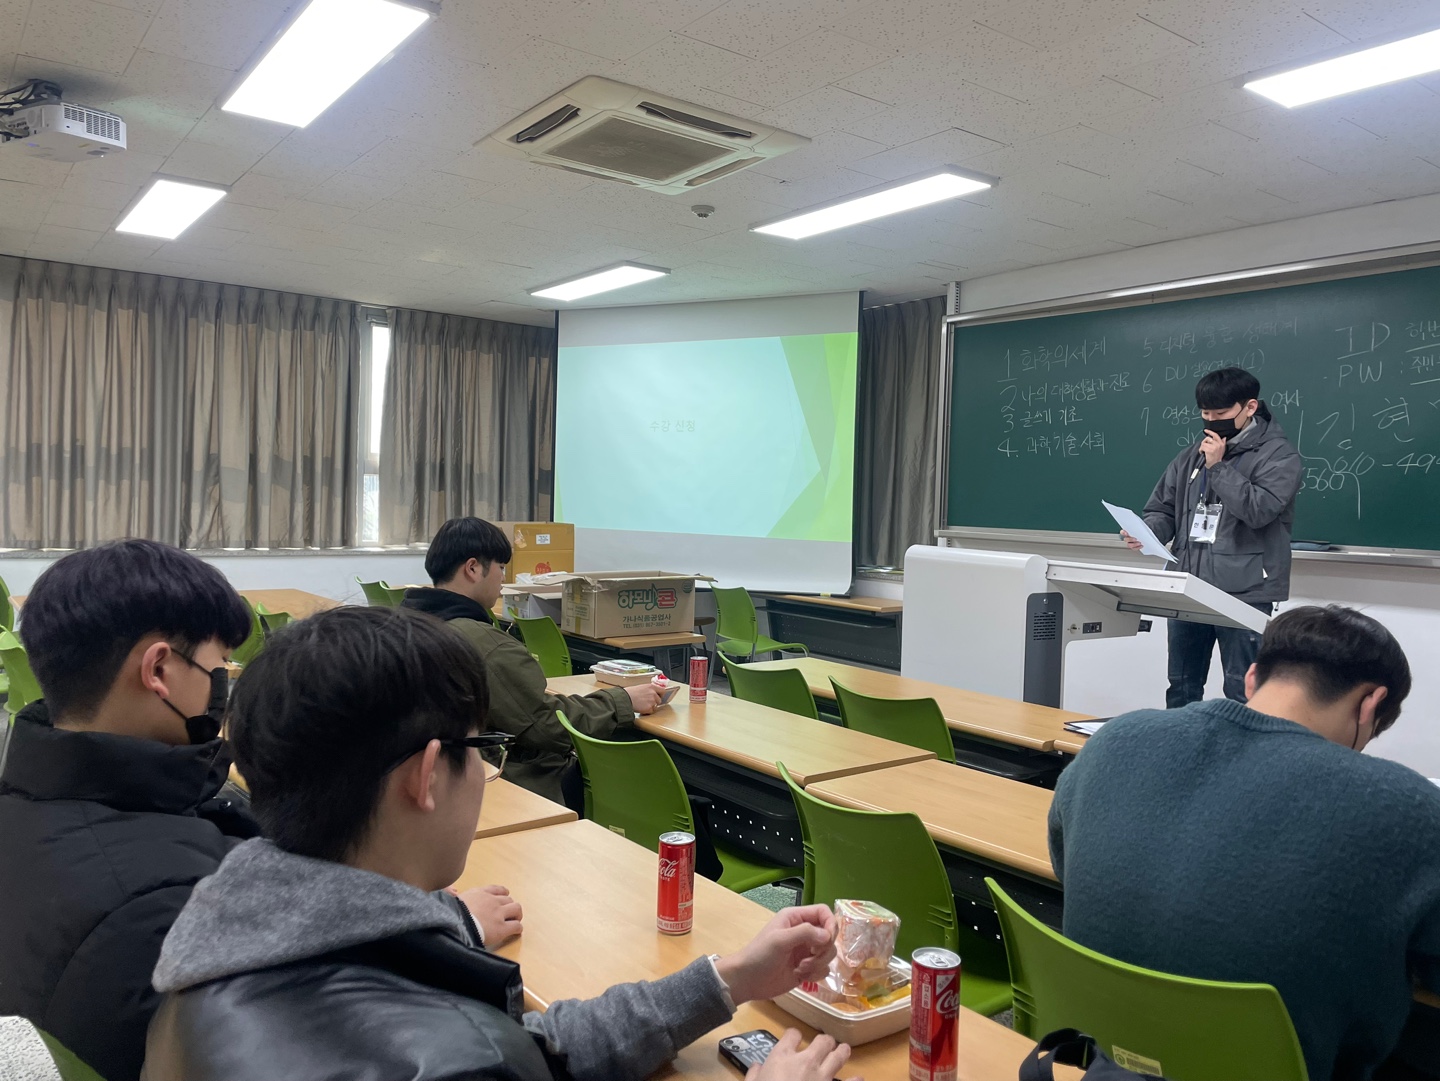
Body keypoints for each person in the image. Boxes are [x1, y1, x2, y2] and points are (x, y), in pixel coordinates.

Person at [143, 606, 851, 1081]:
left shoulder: (221, 946)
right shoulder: (455, 1059)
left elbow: (535, 1048)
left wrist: (728, 979)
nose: (487, 772)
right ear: (427, 775)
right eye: (481, 749)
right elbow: (494, 1054)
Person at [1050, 605, 1440, 1081]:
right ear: (1370, 704)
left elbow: (1066, 864)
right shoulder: (1408, 807)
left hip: (1106, 1059)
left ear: (1252, 678)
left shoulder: (1114, 740)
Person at [0, 541, 257, 1081]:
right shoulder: (181, 903)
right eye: (219, 669)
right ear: (158, 668)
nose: (223, 689)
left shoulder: (23, 809)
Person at [401, 516, 661, 804]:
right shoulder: (484, 644)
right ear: (473, 568)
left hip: (437, 773)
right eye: (501, 567)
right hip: (508, 781)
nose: (504, 578)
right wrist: (622, 700)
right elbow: (547, 725)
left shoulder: (408, 622)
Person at [1121, 366, 1302, 706]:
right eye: (1205, 414)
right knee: (1182, 686)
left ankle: (1239, 744)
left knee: (1242, 690)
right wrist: (1148, 533)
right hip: (1188, 587)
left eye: (1220, 414)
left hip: (1245, 592)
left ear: (1249, 407)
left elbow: (1259, 510)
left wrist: (1218, 467)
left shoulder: (1279, 455)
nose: (1211, 421)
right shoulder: (1192, 455)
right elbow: (1162, 508)